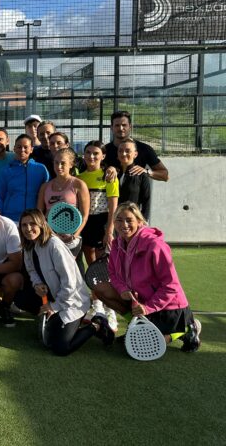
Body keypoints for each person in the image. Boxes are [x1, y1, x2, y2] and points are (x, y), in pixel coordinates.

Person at [94, 202, 201, 353]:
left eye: (129, 220)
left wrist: (147, 307)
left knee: (143, 345)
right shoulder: (116, 244)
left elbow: (171, 286)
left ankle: (187, 329)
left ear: (139, 221)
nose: (124, 225)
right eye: (118, 220)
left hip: (170, 308)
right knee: (101, 288)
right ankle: (139, 325)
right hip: (141, 302)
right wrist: (123, 289)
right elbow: (112, 273)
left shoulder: (155, 245)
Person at [19, 209, 114, 356]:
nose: (28, 228)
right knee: (21, 299)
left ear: (41, 224)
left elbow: (70, 283)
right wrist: (37, 284)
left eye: (32, 223)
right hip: (53, 295)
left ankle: (97, 325)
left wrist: (54, 306)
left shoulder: (54, 245)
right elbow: (31, 270)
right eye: (24, 225)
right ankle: (54, 321)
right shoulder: (28, 245)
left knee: (60, 348)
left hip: (72, 301)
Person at [78, 141, 119, 329]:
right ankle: (97, 305)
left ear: (103, 156)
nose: (91, 157)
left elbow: (113, 206)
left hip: (103, 224)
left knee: (105, 269)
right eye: (88, 153)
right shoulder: (79, 176)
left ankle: (110, 310)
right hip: (86, 224)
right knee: (91, 267)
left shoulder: (109, 176)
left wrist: (109, 229)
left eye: (96, 153)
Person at [37, 147, 90, 242]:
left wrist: (74, 236)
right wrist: (50, 234)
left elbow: (84, 215)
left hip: (71, 236)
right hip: (50, 236)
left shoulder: (79, 184)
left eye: (63, 163)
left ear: (71, 164)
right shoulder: (45, 187)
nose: (59, 166)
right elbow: (39, 214)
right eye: (56, 162)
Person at [0, 134, 49, 223]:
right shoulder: (6, 171)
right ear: (14, 148)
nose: (22, 150)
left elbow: (47, 194)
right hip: (10, 219)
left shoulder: (41, 169)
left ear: (31, 149)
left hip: (34, 219)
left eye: (25, 147)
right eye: (19, 147)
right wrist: (0, 217)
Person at [103, 110, 169, 182]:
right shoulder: (104, 150)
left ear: (130, 126)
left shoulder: (144, 149)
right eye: (117, 125)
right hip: (109, 192)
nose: (121, 128)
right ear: (111, 128)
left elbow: (165, 175)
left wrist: (146, 172)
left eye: (124, 125)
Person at [117, 139, 152, 219]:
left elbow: (146, 201)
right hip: (115, 220)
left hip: (133, 220)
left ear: (135, 154)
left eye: (128, 151)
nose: (123, 154)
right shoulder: (114, 173)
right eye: (120, 151)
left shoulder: (141, 175)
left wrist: (144, 221)